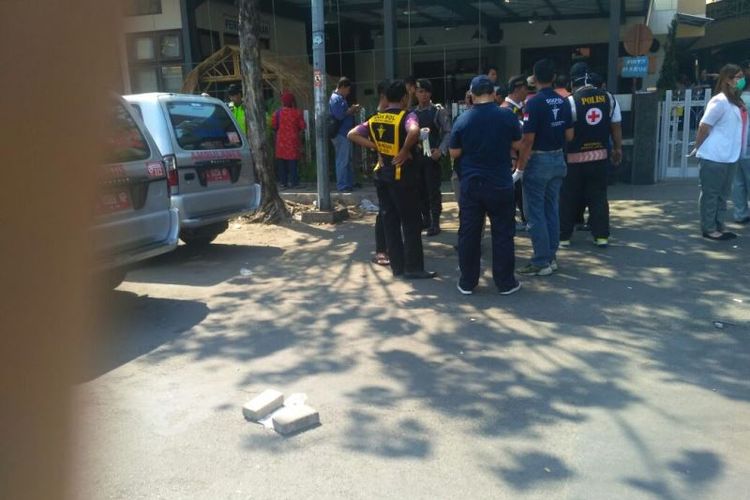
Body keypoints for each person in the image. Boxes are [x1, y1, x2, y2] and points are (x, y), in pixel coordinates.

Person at [348, 80, 437, 279]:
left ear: (387, 98)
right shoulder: (408, 116)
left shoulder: (376, 119)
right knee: (411, 222)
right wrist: (405, 150)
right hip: (403, 177)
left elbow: (352, 134)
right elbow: (414, 130)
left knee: (390, 221)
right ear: (405, 98)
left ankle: (397, 268)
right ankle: (413, 268)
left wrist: (375, 146)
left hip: (382, 175)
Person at [450, 75, 522, 295]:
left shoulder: (463, 120)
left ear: (471, 95)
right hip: (500, 183)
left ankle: (467, 282)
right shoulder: (507, 116)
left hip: (472, 184)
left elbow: (454, 152)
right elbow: (518, 144)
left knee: (469, 232)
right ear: (493, 93)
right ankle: (505, 282)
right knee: (502, 232)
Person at [516, 58, 573, 276]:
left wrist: (521, 166)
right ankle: (551, 257)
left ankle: (541, 260)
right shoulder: (563, 101)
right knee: (551, 210)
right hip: (558, 159)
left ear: (535, 78)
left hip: (538, 161)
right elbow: (570, 134)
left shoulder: (534, 102)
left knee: (535, 213)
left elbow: (528, 140)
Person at [559, 62, 623, 248]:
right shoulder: (609, 98)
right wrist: (617, 149)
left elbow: (567, 132)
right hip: (600, 157)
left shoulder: (571, 101)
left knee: (569, 196)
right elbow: (616, 126)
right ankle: (601, 236)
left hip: (574, 159)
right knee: (598, 196)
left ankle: (564, 237)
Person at [691, 64, 747, 240]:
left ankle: (719, 225)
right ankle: (709, 228)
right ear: (728, 80)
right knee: (711, 194)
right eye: (737, 77)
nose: (741, 80)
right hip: (714, 156)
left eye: (741, 77)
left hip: (731, 155)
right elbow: (704, 126)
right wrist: (697, 147)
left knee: (723, 195)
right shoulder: (719, 101)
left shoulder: (737, 102)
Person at [414, 78, 452, 236]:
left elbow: (448, 132)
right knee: (419, 190)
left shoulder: (438, 110)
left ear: (430, 93)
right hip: (417, 157)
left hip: (432, 158)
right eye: (420, 91)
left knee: (433, 191)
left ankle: (435, 222)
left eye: (425, 91)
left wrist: (441, 150)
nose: (423, 95)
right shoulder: (412, 113)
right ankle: (426, 219)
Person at [502, 75, 530, 231]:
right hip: (512, 160)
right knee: (514, 192)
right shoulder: (507, 110)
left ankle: (519, 220)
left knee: (518, 193)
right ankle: (511, 222)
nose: (527, 92)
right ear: (519, 89)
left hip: (518, 159)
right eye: (526, 89)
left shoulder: (518, 108)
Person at [329, 77, 361, 192]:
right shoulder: (335, 99)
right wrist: (351, 110)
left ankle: (349, 183)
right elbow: (340, 115)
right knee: (342, 160)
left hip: (345, 133)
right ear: (342, 87)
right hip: (340, 134)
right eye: (347, 90)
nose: (348, 93)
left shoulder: (340, 98)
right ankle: (342, 185)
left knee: (347, 159)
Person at [272, 91, 306, 189]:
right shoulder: (297, 113)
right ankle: (294, 182)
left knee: (281, 163)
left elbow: (274, 126)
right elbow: (303, 126)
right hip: (292, 141)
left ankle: (283, 183)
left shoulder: (277, 113)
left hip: (281, 142)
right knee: (292, 162)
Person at [731, 59, 750, 224]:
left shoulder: (733, 98)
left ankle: (740, 213)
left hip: (735, 144)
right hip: (747, 144)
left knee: (737, 181)